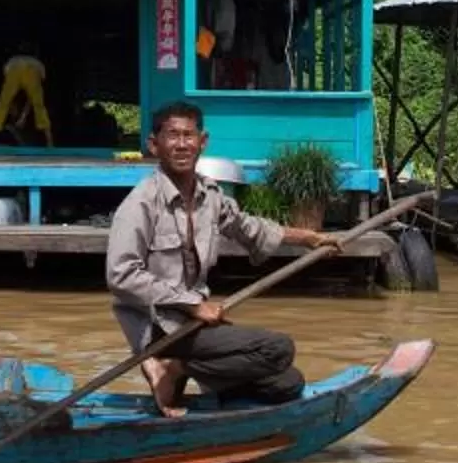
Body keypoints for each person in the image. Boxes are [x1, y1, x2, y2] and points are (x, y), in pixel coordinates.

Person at [105, 101, 335, 417]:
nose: (182, 144)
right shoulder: (140, 203)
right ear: (154, 145)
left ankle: (187, 374)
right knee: (278, 348)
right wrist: (192, 305)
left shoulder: (209, 195)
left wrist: (308, 238)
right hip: (162, 329)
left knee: (287, 383)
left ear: (203, 142)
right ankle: (171, 367)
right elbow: (121, 275)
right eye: (172, 135)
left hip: (194, 324)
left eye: (189, 135)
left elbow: (247, 227)